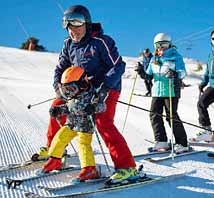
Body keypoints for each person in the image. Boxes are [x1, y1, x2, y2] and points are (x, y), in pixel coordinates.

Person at [35, 5, 137, 184]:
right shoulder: (68, 44)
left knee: (102, 121)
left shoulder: (101, 41)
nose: (72, 29)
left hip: (106, 87)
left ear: (87, 23)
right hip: (78, 89)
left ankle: (126, 167)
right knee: (57, 106)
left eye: (76, 23)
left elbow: (118, 66)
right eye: (68, 25)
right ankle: (56, 154)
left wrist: (104, 88)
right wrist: (59, 89)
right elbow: (60, 68)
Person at [42, 66, 102, 181]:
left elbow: (102, 106)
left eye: (71, 88)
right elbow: (69, 107)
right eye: (66, 90)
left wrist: (93, 107)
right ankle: (55, 160)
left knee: (83, 144)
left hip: (85, 126)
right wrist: (58, 110)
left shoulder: (91, 95)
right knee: (59, 138)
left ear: (82, 84)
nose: (69, 92)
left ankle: (90, 169)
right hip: (71, 124)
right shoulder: (72, 97)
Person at [146, 33, 189, 153]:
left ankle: (182, 143)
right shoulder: (154, 59)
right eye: (158, 45)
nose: (161, 47)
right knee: (154, 115)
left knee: (171, 116)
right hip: (157, 91)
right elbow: (148, 76)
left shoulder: (175, 56)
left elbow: (183, 73)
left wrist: (175, 74)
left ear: (169, 44)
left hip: (171, 90)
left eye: (164, 44)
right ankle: (161, 141)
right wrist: (140, 71)